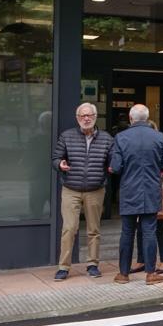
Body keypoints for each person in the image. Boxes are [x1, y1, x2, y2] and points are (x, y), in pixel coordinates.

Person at [51, 103, 115, 281]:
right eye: (82, 115)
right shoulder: (67, 136)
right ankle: (63, 267)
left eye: (89, 115)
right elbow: (56, 158)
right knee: (69, 229)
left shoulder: (106, 138)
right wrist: (60, 164)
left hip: (95, 190)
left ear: (95, 117)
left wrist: (113, 166)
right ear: (77, 118)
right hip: (71, 188)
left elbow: (113, 160)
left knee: (94, 229)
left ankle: (93, 264)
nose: (86, 118)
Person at [110, 104, 163, 284]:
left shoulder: (121, 137)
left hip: (129, 191)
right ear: (147, 117)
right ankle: (151, 273)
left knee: (127, 232)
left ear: (130, 118)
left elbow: (115, 167)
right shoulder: (159, 137)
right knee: (149, 232)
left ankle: (123, 274)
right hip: (151, 190)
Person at [130, 146, 163, 275]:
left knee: (159, 227)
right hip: (140, 192)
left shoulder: (161, 148)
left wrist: (160, 174)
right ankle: (141, 260)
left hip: (157, 193)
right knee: (140, 227)